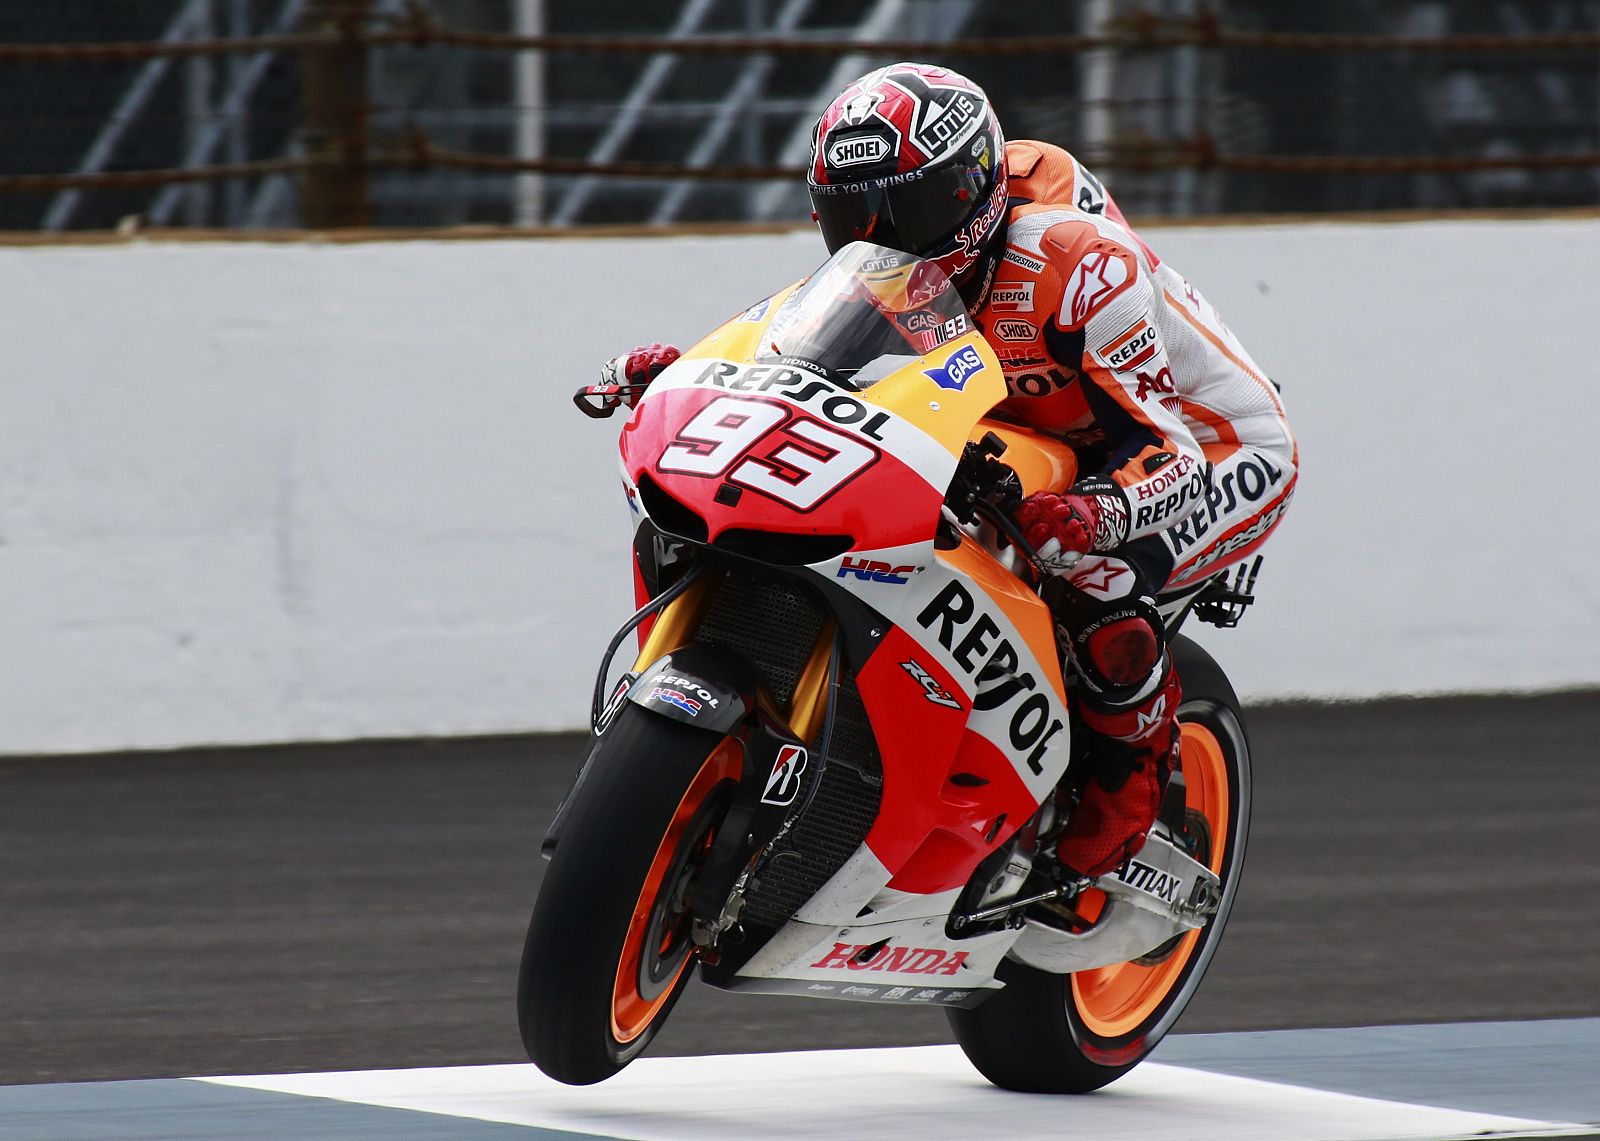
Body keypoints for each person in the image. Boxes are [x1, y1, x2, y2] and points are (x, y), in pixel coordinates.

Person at [600, 62, 1298, 883]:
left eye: (909, 208)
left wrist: (1093, 513)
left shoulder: (1075, 265)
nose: (883, 235)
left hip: (1210, 446)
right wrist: (688, 374)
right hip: (1038, 426)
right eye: (852, 213)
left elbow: (1168, 449)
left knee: (1093, 573)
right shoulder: (891, 273)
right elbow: (802, 359)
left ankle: (1127, 787)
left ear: (976, 187)